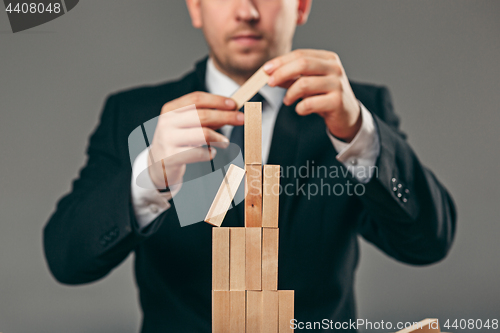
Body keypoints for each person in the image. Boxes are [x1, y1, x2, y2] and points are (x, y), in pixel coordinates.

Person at [43, 0, 456, 332]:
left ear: (301, 6)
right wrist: (149, 177)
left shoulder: (355, 111)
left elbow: (429, 242)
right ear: (195, 7)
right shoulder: (132, 113)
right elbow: (66, 258)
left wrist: (361, 135)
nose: (247, 10)